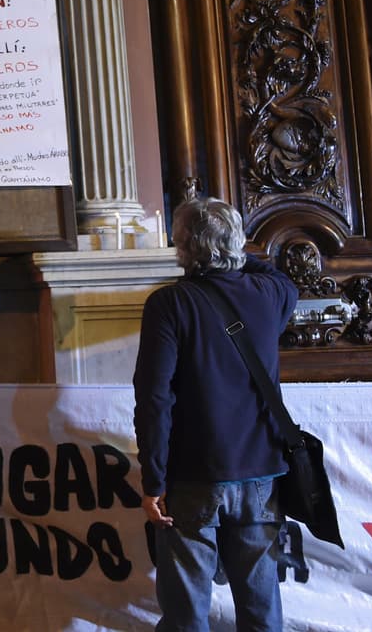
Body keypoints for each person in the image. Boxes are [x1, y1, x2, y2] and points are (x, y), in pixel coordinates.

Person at [133, 197, 298, 632]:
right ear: (238, 241)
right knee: (262, 610)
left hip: (193, 473)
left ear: (184, 246)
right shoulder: (271, 293)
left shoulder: (169, 304)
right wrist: (234, 251)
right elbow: (274, 272)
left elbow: (154, 399)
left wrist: (153, 479)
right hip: (261, 469)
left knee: (186, 613)